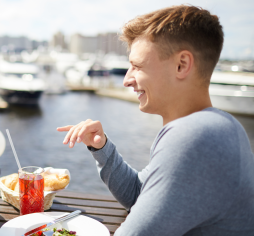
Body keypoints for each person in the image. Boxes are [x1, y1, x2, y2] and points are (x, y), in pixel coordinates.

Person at [58, 5, 254, 235]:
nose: (126, 80)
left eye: (137, 66)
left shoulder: (194, 136)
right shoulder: (222, 126)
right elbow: (139, 194)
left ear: (182, 65)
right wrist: (101, 147)